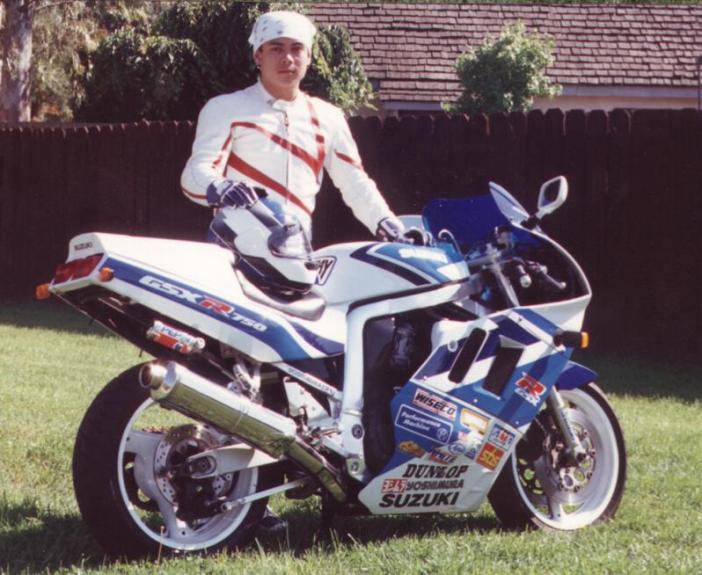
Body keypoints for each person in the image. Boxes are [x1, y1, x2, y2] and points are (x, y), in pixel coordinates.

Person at [180, 10, 405, 247]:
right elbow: (195, 173)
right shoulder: (225, 108)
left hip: (297, 253)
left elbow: (354, 183)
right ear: (258, 56)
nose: (287, 58)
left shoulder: (329, 116)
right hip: (235, 250)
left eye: (297, 48)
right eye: (276, 48)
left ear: (309, 56)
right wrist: (220, 187)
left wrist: (390, 225)